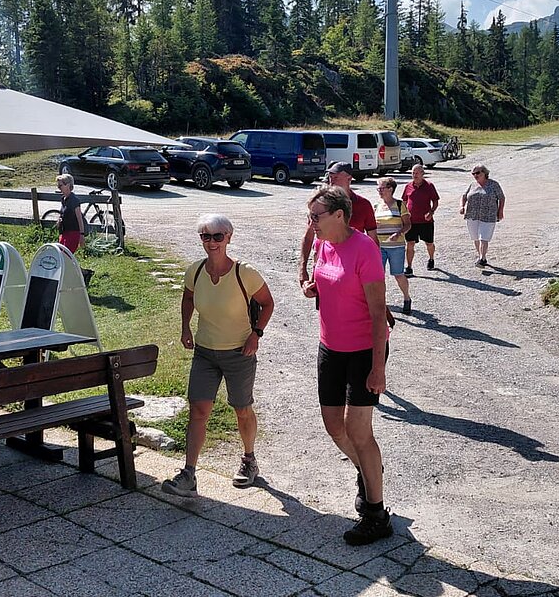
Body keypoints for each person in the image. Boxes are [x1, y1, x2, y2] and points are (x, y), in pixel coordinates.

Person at [300, 186, 393, 546]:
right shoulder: (324, 243)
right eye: (310, 216)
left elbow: (377, 313)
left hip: (363, 350)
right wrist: (312, 287)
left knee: (358, 431)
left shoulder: (364, 249)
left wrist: (377, 369)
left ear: (339, 215)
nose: (311, 223)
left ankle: (375, 514)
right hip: (330, 347)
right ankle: (368, 472)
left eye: (316, 216)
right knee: (333, 426)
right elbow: (328, 281)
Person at [162, 214, 275, 497]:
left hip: (239, 352)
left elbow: (267, 303)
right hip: (205, 352)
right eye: (206, 236)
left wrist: (256, 334)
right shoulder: (196, 271)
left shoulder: (244, 273)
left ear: (229, 238)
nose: (212, 242)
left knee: (242, 408)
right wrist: (185, 327)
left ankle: (249, 459)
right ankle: (189, 474)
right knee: (198, 410)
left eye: (217, 236)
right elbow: (188, 297)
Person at [299, 162, 377, 285]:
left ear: (349, 178)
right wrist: (302, 268)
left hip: (352, 269)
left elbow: (373, 238)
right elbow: (309, 236)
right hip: (323, 266)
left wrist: (375, 266)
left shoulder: (363, 205)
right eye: (330, 177)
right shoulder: (321, 205)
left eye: (336, 177)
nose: (332, 181)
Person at [372, 176, 412, 313]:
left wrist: (399, 233)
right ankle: (380, 302)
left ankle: (406, 298)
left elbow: (408, 224)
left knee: (398, 274)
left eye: (381, 188)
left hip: (396, 246)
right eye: (378, 189)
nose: (379, 191)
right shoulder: (376, 206)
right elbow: (370, 226)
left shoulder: (400, 205)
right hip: (379, 246)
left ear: (390, 189)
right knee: (378, 276)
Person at [460, 165, 505, 266]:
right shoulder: (472, 185)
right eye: (473, 173)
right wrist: (462, 206)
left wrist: (500, 211)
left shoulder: (494, 184)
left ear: (484, 173)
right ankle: (481, 256)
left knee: (483, 237)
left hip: (488, 215)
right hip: (472, 215)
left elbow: (502, 198)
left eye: (478, 173)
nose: (475, 175)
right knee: (475, 238)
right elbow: (464, 196)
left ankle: (482, 258)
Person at [400, 164, 439, 275]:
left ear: (422, 173)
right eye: (413, 173)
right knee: (410, 243)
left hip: (426, 221)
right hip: (411, 222)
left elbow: (435, 201)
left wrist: (431, 212)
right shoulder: (408, 186)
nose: (414, 175)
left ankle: (431, 259)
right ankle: (409, 267)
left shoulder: (429, 186)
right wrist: (403, 216)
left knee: (429, 243)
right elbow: (404, 202)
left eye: (417, 173)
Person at [55, 174, 85, 253]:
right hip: (64, 233)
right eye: (58, 186)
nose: (59, 188)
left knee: (66, 255)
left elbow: (79, 219)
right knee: (60, 254)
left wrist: (82, 235)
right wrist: (59, 221)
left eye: (60, 185)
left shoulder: (74, 200)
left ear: (68, 185)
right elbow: (63, 213)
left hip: (73, 234)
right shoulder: (63, 199)